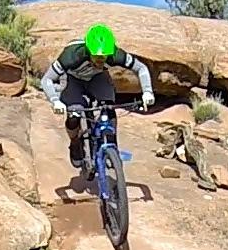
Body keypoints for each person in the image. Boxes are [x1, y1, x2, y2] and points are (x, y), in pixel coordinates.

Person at [41, 24, 154, 169]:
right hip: (73, 80)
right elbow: (47, 79)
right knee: (74, 114)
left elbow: (141, 68)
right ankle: (75, 142)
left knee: (108, 106)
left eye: (104, 56)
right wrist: (55, 101)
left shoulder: (115, 54)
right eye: (97, 56)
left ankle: (112, 148)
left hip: (98, 77)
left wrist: (147, 91)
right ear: (88, 51)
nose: (101, 60)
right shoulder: (72, 55)